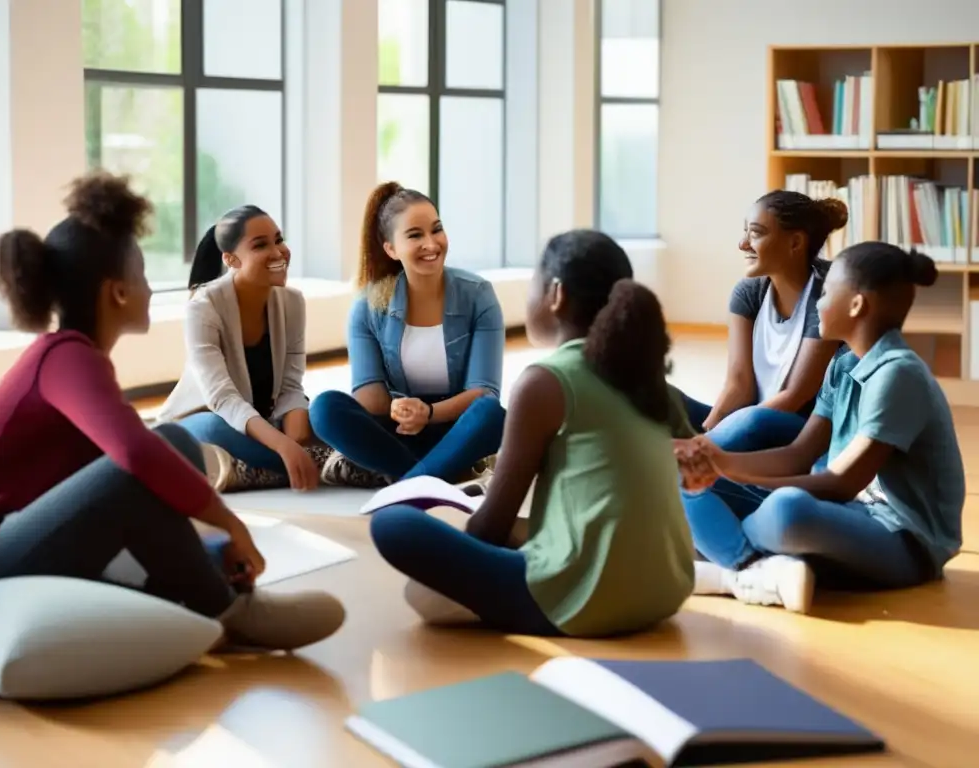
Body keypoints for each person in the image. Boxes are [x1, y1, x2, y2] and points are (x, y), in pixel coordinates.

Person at [0, 172, 344, 652]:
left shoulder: (75, 359)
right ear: (118, 292)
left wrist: (212, 548)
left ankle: (211, 592)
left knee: (172, 451)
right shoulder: (65, 359)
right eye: (142, 276)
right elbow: (136, 457)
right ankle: (228, 613)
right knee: (166, 445)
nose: (150, 288)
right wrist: (229, 522)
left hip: (23, 542)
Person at [370, 229, 695, 637]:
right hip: (666, 590)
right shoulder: (648, 380)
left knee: (394, 526)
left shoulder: (545, 382)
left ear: (555, 294)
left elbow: (490, 525)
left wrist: (467, 563)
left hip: (588, 601)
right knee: (516, 534)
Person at [675, 243, 963, 614]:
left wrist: (727, 472)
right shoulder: (843, 366)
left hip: (906, 541)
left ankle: (734, 563)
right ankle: (750, 567)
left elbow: (842, 482)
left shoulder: (898, 373)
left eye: (826, 294)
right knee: (685, 481)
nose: (816, 304)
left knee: (787, 509)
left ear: (856, 305)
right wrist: (718, 466)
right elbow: (798, 453)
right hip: (844, 514)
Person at [159, 206, 381, 491]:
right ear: (231, 259)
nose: (278, 252)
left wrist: (297, 429)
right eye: (261, 245)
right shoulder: (203, 308)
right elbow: (223, 399)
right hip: (204, 419)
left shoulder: (292, 302)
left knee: (326, 413)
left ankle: (253, 471)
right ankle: (326, 464)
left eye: (279, 239)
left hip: (265, 421)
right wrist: (286, 447)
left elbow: (290, 385)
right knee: (215, 429)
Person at [309, 181, 506, 485]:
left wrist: (428, 412)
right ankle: (431, 477)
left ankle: (405, 483)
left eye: (436, 229)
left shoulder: (478, 295)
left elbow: (484, 391)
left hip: (457, 428)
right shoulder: (367, 306)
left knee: (491, 413)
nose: (431, 243)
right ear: (391, 248)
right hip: (398, 430)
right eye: (415, 235)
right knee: (324, 408)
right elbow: (369, 397)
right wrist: (403, 409)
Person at [677, 191, 848, 452]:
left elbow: (794, 397)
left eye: (755, 233)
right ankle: (687, 461)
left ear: (795, 243)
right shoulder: (749, 293)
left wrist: (703, 446)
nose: (743, 244)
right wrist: (705, 432)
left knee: (752, 419)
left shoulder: (827, 298)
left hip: (804, 433)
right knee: (666, 398)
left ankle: (690, 465)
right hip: (751, 418)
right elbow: (739, 384)